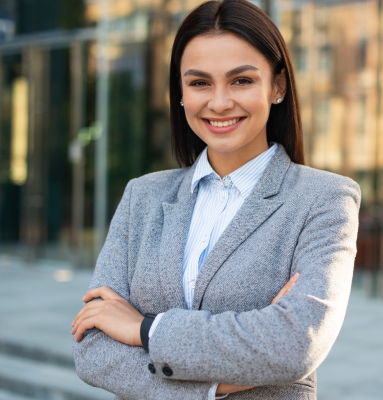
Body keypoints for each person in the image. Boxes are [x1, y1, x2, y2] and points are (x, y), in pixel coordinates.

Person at [71, 0, 360, 398]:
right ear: (181, 93)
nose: (220, 102)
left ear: (276, 86)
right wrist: (224, 381)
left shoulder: (324, 199)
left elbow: (295, 344)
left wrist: (144, 329)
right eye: (199, 82)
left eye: (241, 80)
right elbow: (93, 350)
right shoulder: (142, 196)